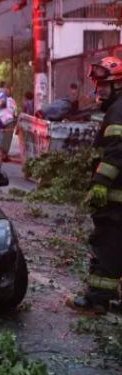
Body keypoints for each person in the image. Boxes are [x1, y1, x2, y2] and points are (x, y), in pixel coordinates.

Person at [67, 56, 122, 314]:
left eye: (104, 86)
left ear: (118, 85)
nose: (99, 91)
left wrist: (100, 183)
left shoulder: (118, 111)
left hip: (115, 199)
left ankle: (96, 300)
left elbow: (117, 150)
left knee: (106, 245)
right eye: (98, 85)